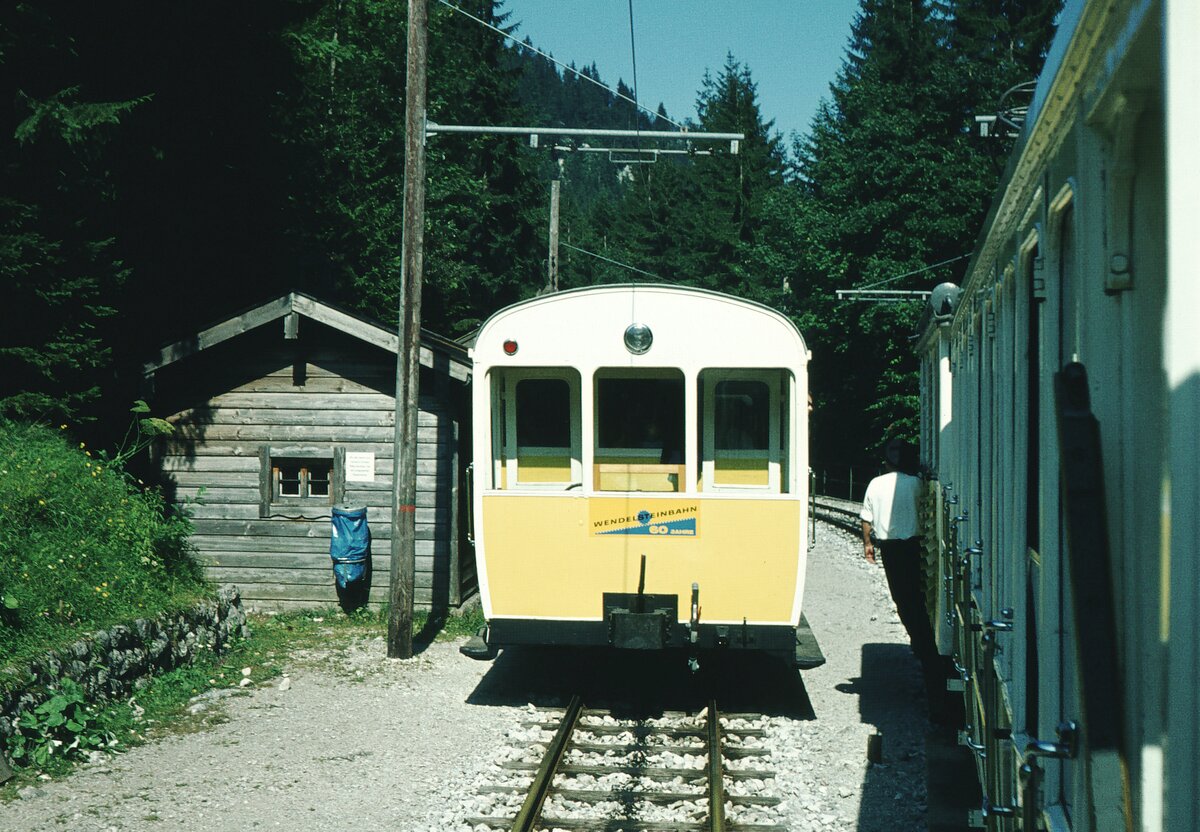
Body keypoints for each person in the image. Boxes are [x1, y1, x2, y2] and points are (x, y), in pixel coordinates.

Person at [860, 438, 954, 724]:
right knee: (914, 598)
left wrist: (868, 544)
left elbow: (866, 518)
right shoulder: (916, 483)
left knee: (902, 600)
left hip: (891, 549)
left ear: (884, 459)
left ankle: (921, 644)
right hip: (915, 546)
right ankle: (923, 646)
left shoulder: (875, 484)